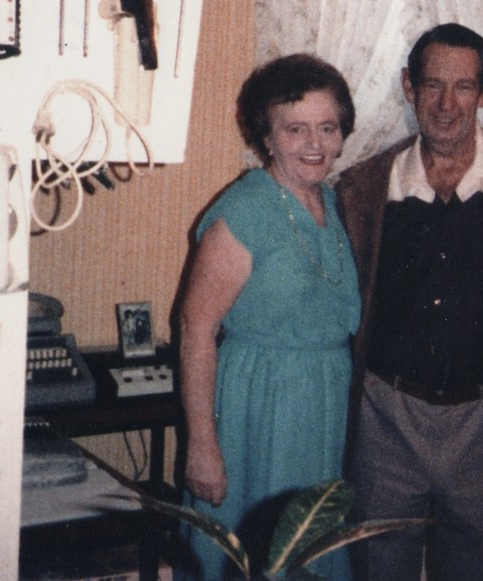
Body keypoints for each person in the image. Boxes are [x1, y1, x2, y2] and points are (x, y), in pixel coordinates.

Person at [335, 23, 483, 581]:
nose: (446, 104)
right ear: (408, 87)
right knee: (380, 566)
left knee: (478, 568)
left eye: (463, 87)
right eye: (432, 85)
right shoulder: (364, 187)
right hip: (387, 419)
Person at [175, 54, 360, 580]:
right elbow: (196, 330)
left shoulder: (329, 202)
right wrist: (203, 445)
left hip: (318, 412)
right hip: (253, 411)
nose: (315, 144)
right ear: (267, 136)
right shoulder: (246, 207)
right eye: (296, 129)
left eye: (328, 128)